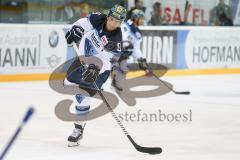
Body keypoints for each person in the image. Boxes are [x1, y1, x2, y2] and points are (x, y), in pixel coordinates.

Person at [64, 4, 127, 147]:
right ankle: (90, 92)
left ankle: (78, 129)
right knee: (68, 84)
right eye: (111, 19)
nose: (112, 23)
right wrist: (76, 30)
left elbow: (107, 61)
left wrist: (94, 69)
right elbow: (83, 23)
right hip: (82, 58)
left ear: (120, 23)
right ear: (108, 16)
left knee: (83, 92)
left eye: (117, 22)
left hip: (101, 66)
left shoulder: (116, 41)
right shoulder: (98, 18)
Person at [111, 9, 149, 91]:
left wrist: (141, 59)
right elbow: (122, 38)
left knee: (126, 64)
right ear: (135, 18)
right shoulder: (125, 25)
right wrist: (125, 47)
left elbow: (136, 48)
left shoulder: (138, 32)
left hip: (122, 53)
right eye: (141, 18)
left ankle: (115, 82)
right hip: (114, 49)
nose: (143, 20)